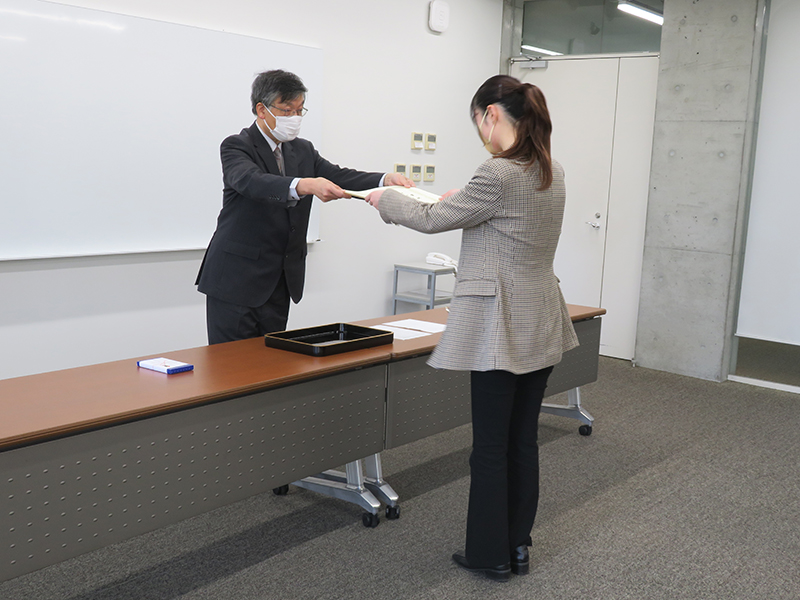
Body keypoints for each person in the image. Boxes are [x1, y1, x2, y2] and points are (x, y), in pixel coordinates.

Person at [365, 75, 579, 582]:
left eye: (478, 122)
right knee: (522, 441)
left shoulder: (497, 172)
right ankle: (517, 545)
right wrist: (458, 199)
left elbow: (431, 220)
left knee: (489, 447)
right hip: (540, 318)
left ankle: (488, 554)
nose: (480, 132)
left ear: (491, 115)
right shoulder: (551, 170)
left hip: (499, 328)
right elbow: (496, 217)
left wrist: (384, 199)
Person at [196, 69, 412, 344]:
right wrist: (305, 185)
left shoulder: (302, 149)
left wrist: (384, 180)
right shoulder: (237, 146)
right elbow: (251, 181)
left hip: (280, 280)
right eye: (287, 110)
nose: (294, 118)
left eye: (299, 111)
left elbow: (339, 175)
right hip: (236, 280)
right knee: (232, 363)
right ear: (262, 110)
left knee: (274, 360)